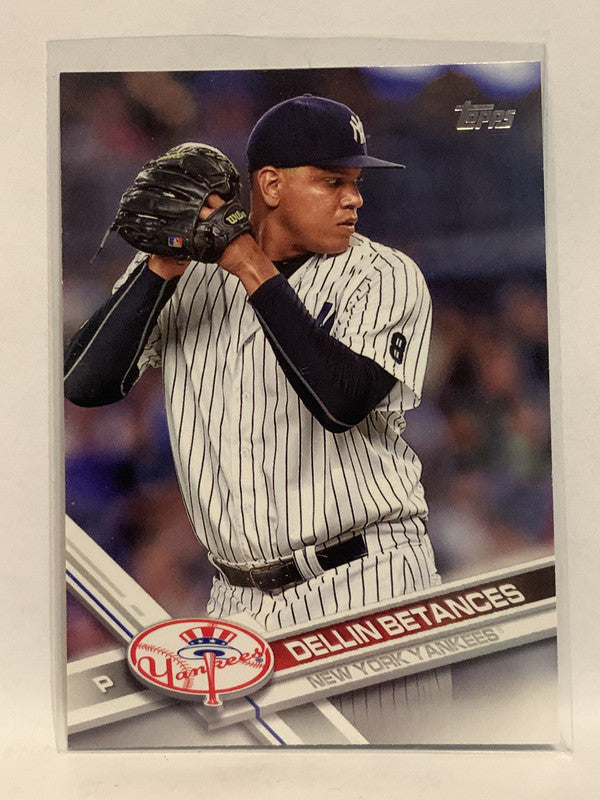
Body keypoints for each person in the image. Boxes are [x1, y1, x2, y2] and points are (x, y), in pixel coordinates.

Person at [64, 94, 450, 741]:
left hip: (369, 577)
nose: (354, 199)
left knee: (395, 771)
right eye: (332, 181)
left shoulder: (384, 275)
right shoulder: (184, 276)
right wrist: (161, 266)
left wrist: (248, 263)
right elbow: (85, 384)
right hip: (236, 601)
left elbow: (341, 402)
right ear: (270, 185)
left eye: (355, 182)